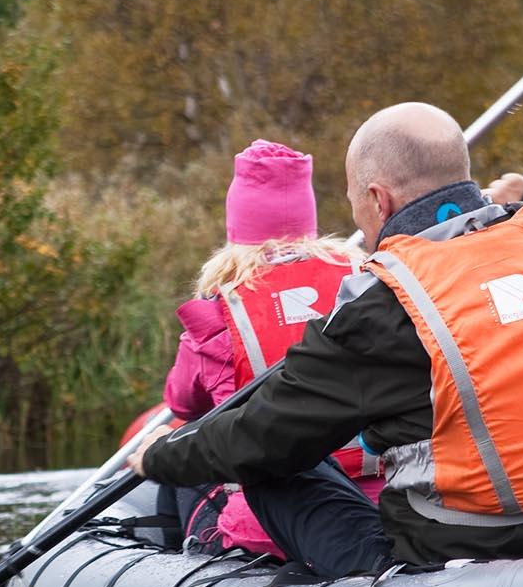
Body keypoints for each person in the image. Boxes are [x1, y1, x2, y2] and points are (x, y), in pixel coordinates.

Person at [131, 102, 523, 578]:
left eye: (358, 204)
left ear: (378, 200)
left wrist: (160, 456)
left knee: (269, 466)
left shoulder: (379, 309)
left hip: (448, 561)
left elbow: (260, 439)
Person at [159, 139, 377, 556]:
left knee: (179, 457)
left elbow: (183, 403)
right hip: (370, 512)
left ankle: (177, 565)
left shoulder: (217, 312)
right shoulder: (368, 285)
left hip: (264, 531)